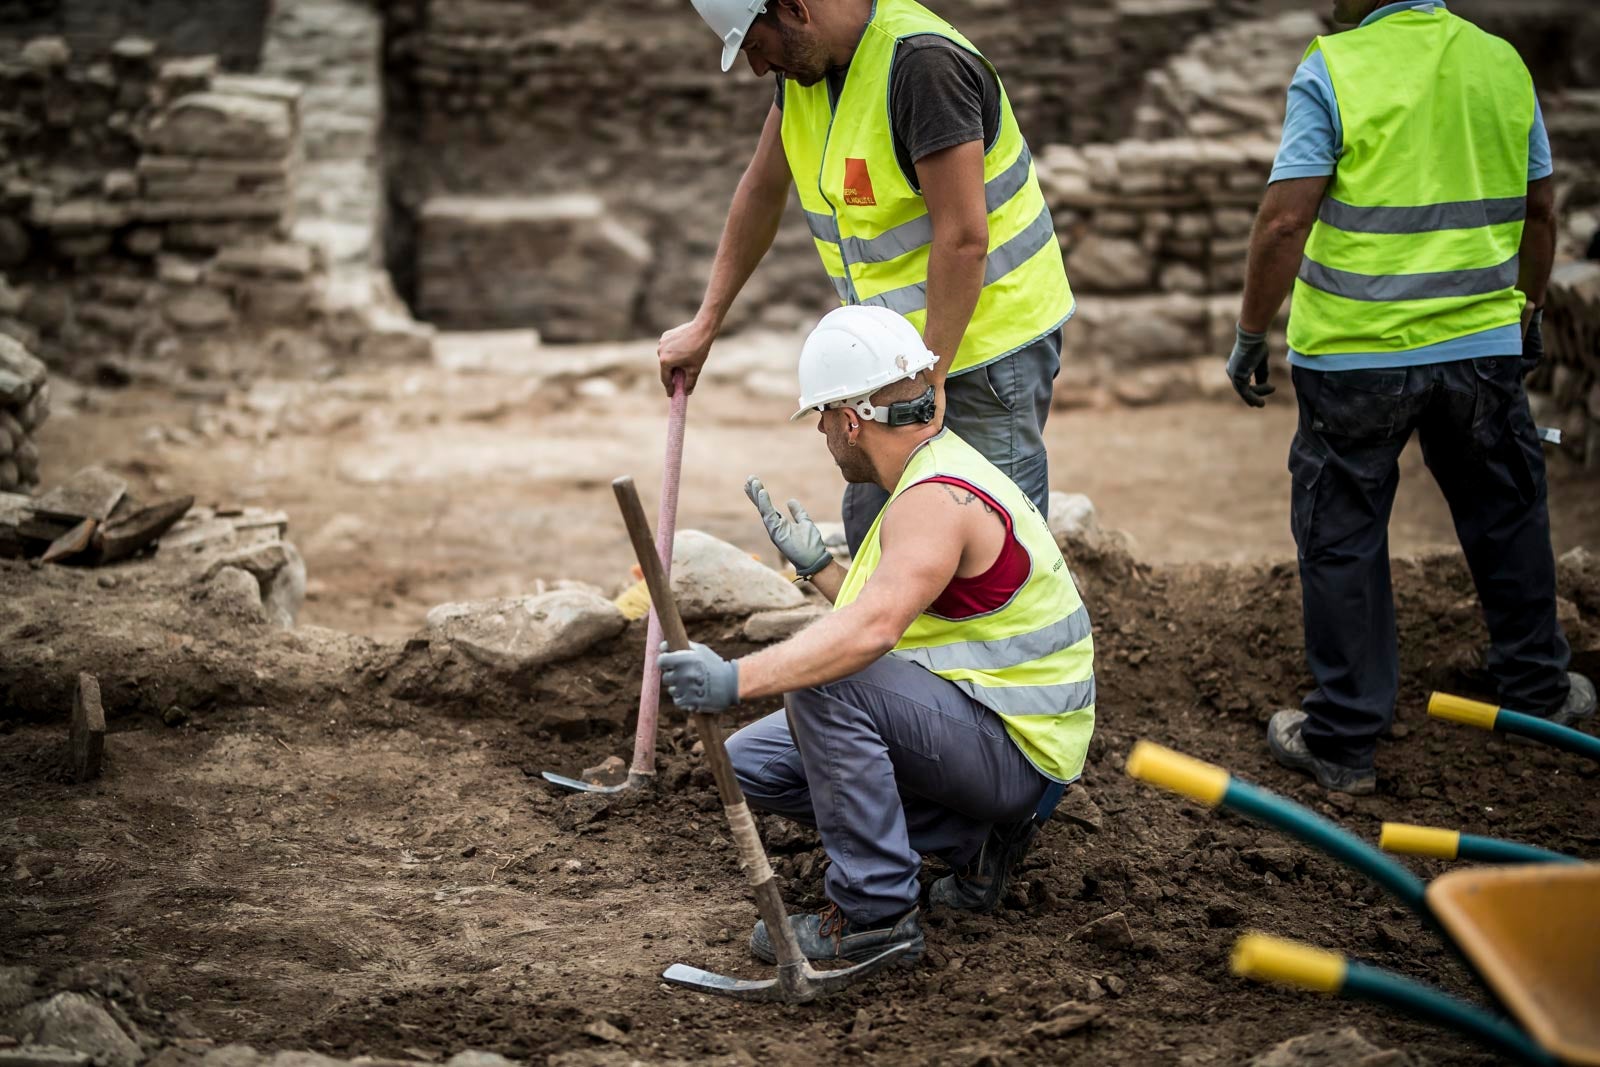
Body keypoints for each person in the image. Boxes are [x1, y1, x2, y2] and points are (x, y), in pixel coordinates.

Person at [1224, 0, 1595, 795]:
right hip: (1480, 351)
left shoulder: (1334, 66)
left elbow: (1285, 219)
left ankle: (1344, 738)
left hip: (1356, 357)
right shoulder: (1499, 62)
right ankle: (1540, 692)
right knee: (1507, 507)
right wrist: (1524, 310)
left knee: (1343, 533)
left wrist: (1253, 330)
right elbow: (1540, 209)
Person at [656, 305, 1095, 965]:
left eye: (823, 420)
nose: (824, 435)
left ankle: (875, 912)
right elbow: (910, 617)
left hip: (1020, 751)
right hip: (983, 723)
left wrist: (734, 680)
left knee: (828, 680)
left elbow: (870, 634)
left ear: (850, 420)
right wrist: (819, 568)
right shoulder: (931, 470)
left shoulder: (934, 500)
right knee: (753, 762)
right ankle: (971, 839)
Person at [665, 0, 1075, 552]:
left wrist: (926, 381)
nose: (758, 69)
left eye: (757, 47)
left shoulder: (922, 67)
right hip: (894, 358)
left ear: (793, 8)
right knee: (878, 534)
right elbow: (762, 190)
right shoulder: (806, 75)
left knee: (994, 545)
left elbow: (963, 238)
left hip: (986, 347)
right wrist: (706, 321)